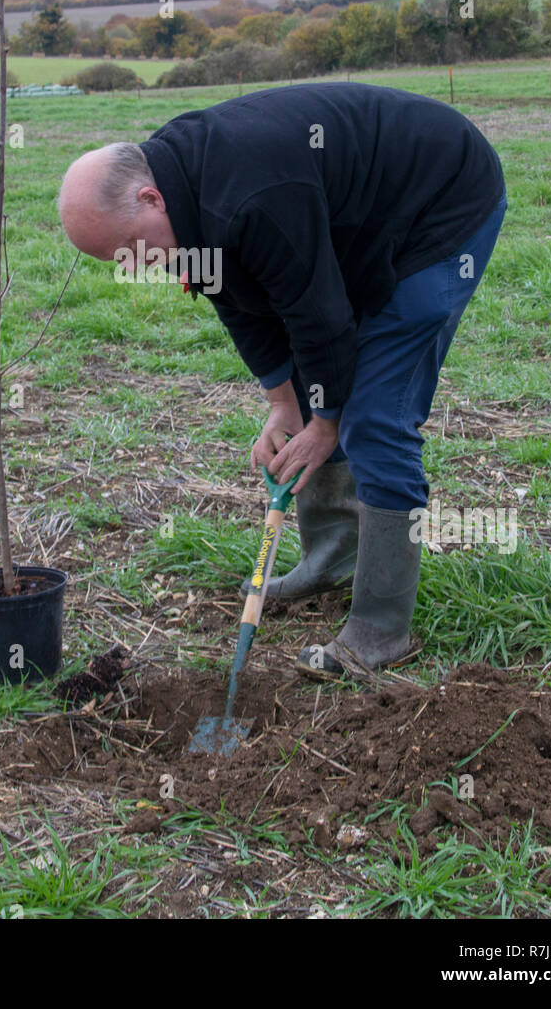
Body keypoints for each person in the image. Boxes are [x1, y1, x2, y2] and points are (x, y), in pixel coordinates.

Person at [58, 83, 506, 677]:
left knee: (372, 416)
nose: (136, 269)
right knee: (320, 384)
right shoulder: (183, 192)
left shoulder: (252, 193)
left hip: (441, 203)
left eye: (132, 251)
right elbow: (241, 299)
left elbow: (318, 314)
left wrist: (325, 422)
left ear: (149, 198)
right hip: (355, 223)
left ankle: (381, 628)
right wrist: (282, 401)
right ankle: (330, 560)